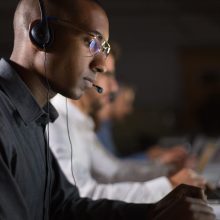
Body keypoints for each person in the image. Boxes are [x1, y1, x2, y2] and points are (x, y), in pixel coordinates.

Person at [0, 0, 215, 219]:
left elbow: (64, 207)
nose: (101, 64)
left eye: (104, 49)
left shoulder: (35, 117)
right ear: (41, 35)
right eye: (91, 42)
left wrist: (153, 212)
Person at [50, 51, 206, 203]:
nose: (114, 88)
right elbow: (82, 195)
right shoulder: (57, 121)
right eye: (106, 74)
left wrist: (166, 173)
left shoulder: (80, 120)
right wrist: (169, 185)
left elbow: (114, 172)